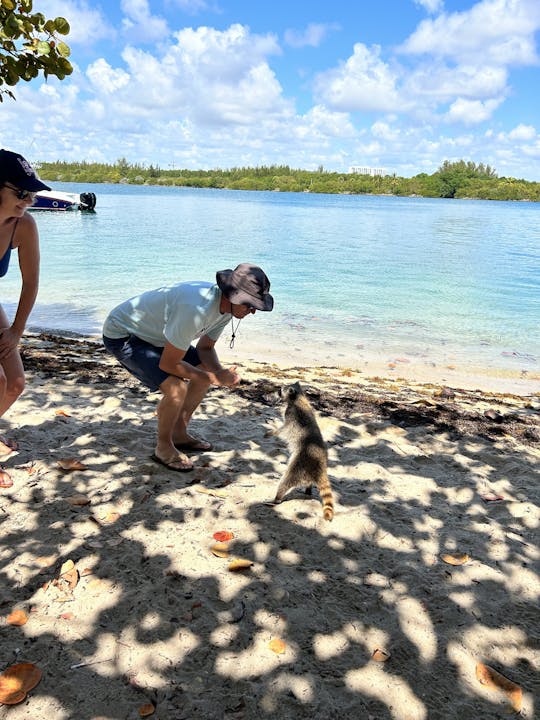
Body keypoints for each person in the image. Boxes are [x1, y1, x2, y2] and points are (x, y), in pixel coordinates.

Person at [103, 263, 274, 472]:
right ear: (233, 296)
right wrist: (213, 378)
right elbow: (169, 364)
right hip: (124, 335)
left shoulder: (226, 309)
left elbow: (205, 348)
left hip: (155, 336)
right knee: (176, 388)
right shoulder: (196, 309)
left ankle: (179, 432)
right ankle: (164, 447)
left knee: (203, 372)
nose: (253, 311)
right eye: (250, 305)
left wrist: (219, 373)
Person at [0, 149, 50, 489]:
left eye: (31, 194)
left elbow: (30, 282)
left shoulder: (23, 224)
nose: (27, 201)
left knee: (15, 383)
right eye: (20, 193)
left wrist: (17, 330)